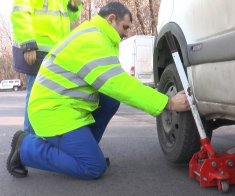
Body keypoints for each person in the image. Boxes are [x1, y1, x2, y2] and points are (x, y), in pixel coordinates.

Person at [7, 2, 190, 180]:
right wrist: (168, 102)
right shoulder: (93, 40)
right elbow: (120, 84)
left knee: (110, 100)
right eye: (125, 27)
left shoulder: (95, 35)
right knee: (93, 167)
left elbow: (115, 85)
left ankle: (82, 149)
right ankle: (25, 147)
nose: (126, 34)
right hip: (53, 113)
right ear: (111, 19)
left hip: (63, 106)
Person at [11, 0, 83, 134]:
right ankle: (28, 142)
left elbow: (69, 19)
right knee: (36, 98)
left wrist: (73, 6)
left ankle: (42, 141)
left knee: (51, 100)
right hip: (37, 50)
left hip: (57, 52)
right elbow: (20, 11)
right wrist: (28, 44)